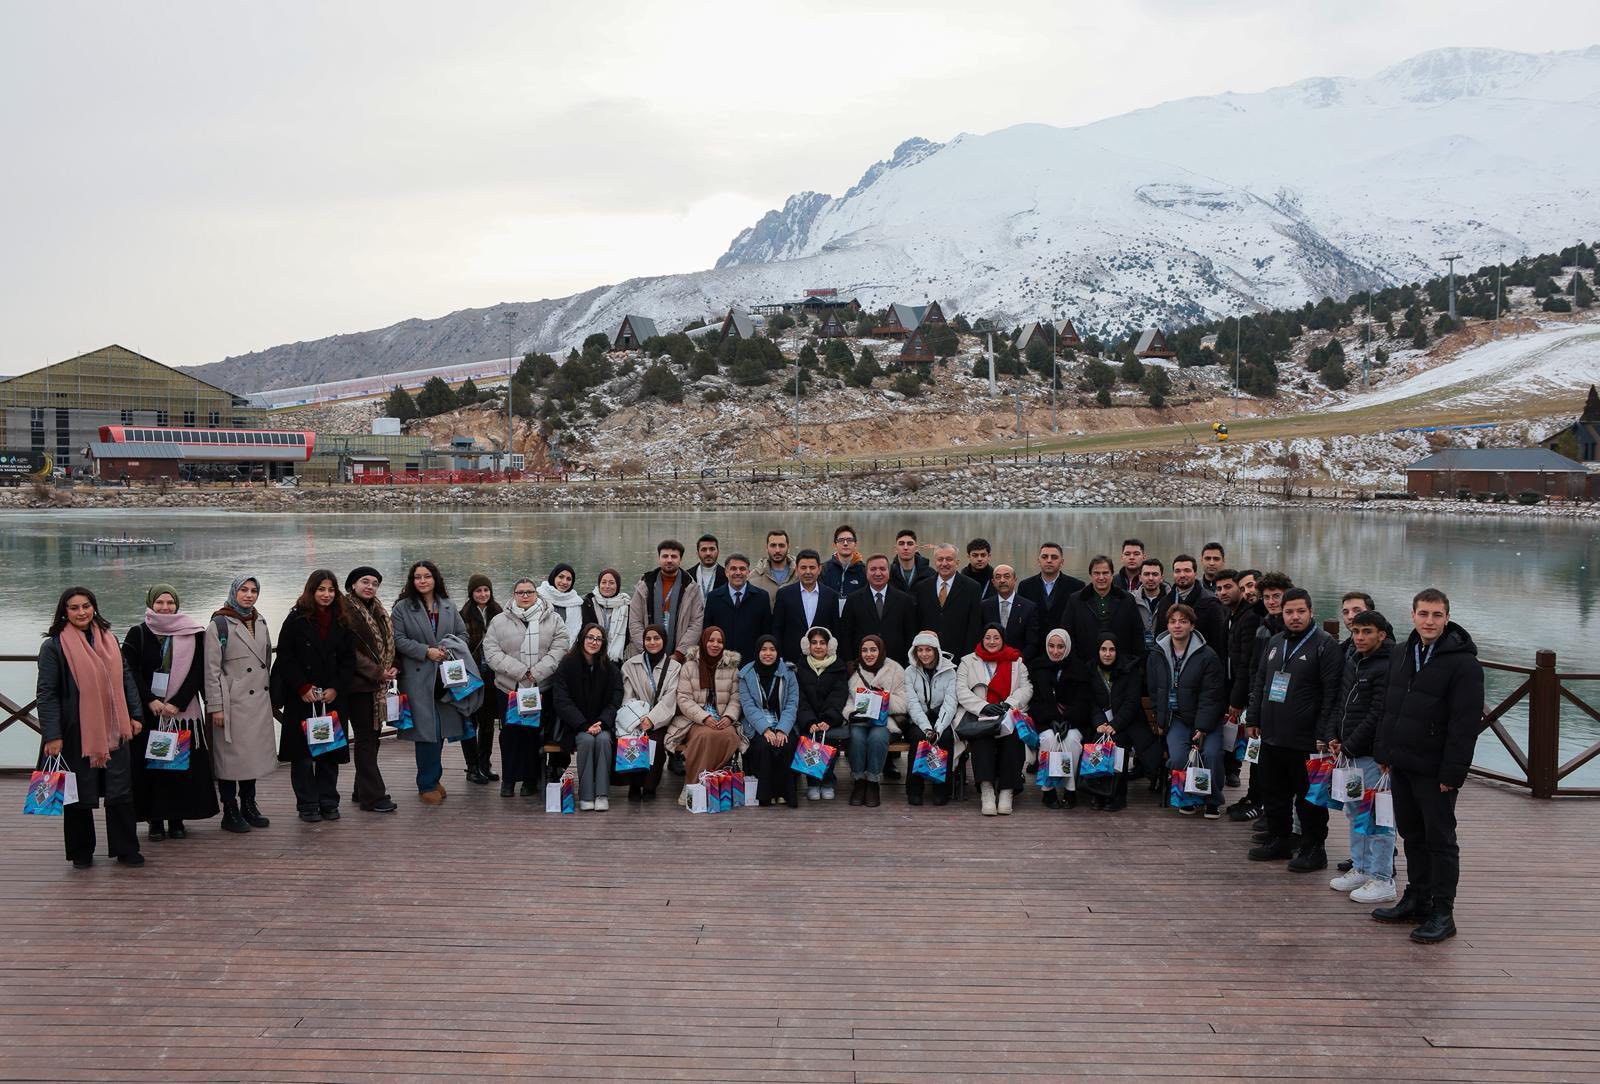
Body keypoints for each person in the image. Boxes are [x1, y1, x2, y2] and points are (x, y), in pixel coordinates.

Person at [1371, 589, 1484, 944]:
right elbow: (1391, 706)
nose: (1430, 621)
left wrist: (1453, 773)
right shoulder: (1404, 652)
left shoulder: (1463, 663)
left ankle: (1442, 911)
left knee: (1440, 840)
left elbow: (1465, 724)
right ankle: (1417, 897)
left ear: (1447, 617)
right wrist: (1384, 753)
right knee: (1411, 834)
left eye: (1437, 615)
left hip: (1435, 769)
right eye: (1424, 614)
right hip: (1402, 762)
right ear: (1412, 615)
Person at [38, 586, 145, 868]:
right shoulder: (54, 646)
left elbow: (126, 680)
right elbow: (46, 693)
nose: (82, 612)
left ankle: (126, 848)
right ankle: (81, 851)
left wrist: (135, 715)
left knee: (120, 789)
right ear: (64, 611)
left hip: (115, 728)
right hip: (75, 732)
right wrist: (52, 734)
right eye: (74, 608)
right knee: (78, 793)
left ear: (94, 607)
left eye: (86, 606)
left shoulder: (110, 639)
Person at [1247, 587, 1342, 872]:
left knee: (1309, 799)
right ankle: (1281, 840)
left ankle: (1315, 849)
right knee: (1273, 792)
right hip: (1273, 733)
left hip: (1307, 739)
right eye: (1289, 612)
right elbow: (1261, 682)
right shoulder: (1275, 641)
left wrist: (1325, 734)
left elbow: (1331, 694)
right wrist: (1253, 718)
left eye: (1301, 611)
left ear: (1311, 612)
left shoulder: (1325, 645)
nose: (1295, 617)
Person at [123, 584, 217, 841]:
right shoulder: (137, 634)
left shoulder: (193, 633)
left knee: (178, 769)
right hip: (149, 715)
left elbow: (198, 671)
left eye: (170, 603)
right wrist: (150, 700)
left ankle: (177, 819)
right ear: (150, 604)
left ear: (177, 604)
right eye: (160, 603)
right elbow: (129, 672)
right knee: (153, 770)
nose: (165, 607)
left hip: (181, 714)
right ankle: (155, 820)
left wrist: (178, 702)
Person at [271, 570, 356, 823]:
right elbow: (285, 656)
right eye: (321, 589)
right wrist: (302, 687)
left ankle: (329, 801)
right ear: (311, 591)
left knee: (329, 753)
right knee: (304, 757)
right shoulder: (296, 619)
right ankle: (307, 803)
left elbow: (348, 660)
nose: (326, 595)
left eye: (331, 590)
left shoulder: (342, 620)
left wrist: (335, 688)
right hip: (302, 697)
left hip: (331, 696)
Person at [1328, 610, 1399, 905]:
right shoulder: (1354, 660)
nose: (1359, 637)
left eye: (1367, 632)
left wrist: (1350, 744)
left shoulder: (1387, 665)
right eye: (1356, 631)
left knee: (1378, 818)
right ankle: (1361, 867)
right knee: (1354, 811)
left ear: (1381, 635)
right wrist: (1334, 734)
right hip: (1351, 752)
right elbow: (1342, 702)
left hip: (1371, 754)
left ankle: (1383, 878)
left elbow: (1377, 713)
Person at [391, 560, 475, 805]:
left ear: (435, 578)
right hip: (418, 677)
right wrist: (425, 651)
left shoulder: (448, 605)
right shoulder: (402, 608)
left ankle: (434, 778)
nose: (423, 581)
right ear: (412, 581)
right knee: (427, 732)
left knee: (440, 732)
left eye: (427, 576)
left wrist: (447, 648)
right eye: (418, 577)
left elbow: (463, 634)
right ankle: (426, 783)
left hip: (446, 677)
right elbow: (398, 639)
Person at [482, 578, 571, 798]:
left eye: (529, 592)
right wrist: (521, 671)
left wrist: (537, 672)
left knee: (534, 734)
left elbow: (560, 648)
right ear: (513, 594)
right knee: (510, 735)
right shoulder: (498, 621)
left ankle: (531, 780)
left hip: (540, 688)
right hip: (509, 688)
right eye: (520, 592)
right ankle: (510, 779)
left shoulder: (553, 619)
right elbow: (491, 651)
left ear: (536, 594)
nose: (524, 596)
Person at [204, 576, 275, 833]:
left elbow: (265, 661)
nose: (249, 595)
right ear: (234, 591)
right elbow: (211, 670)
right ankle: (229, 809)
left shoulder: (261, 621)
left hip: (256, 702)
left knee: (250, 757)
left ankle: (249, 803)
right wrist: (216, 707)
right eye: (244, 590)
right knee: (228, 759)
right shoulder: (219, 624)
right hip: (231, 702)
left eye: (254, 590)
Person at [1147, 604, 1227, 819]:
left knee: (1211, 754)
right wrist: (1160, 718)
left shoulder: (1207, 655)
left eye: (1183, 621)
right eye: (1173, 621)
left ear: (1192, 625)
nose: (1177, 625)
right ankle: (1189, 797)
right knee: (1179, 757)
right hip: (1177, 718)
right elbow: (1155, 690)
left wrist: (1202, 727)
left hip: (1207, 720)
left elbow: (1212, 695)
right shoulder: (1157, 653)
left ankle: (1212, 800)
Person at [956, 622, 1033, 816]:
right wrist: (984, 706)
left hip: (1008, 713)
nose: (992, 641)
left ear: (1003, 639)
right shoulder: (968, 660)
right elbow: (961, 690)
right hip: (979, 715)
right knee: (983, 738)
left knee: (1013, 737)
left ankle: (1007, 790)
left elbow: (1026, 688)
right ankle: (987, 790)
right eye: (988, 637)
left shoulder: (1017, 661)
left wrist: (1008, 704)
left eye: (996, 637)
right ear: (982, 638)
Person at [1236, 571, 1291, 822]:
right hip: (1263, 701)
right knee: (1258, 756)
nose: (1271, 601)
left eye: (1276, 596)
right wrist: (1251, 702)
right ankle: (1258, 801)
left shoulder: (1293, 628)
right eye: (1267, 597)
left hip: (1288, 708)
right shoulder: (1263, 627)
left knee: (1280, 765)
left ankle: (1271, 811)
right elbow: (1254, 669)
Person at [551, 623, 625, 811]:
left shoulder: (610, 668)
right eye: (590, 637)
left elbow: (615, 699)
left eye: (598, 639)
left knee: (602, 740)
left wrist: (603, 722)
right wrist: (583, 724)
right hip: (576, 725)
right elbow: (561, 700)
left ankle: (601, 794)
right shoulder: (567, 665)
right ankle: (585, 795)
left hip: (602, 724)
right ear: (582, 639)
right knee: (586, 741)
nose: (594, 642)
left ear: (603, 643)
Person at [666, 626, 742, 805]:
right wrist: (704, 717)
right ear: (703, 641)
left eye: (719, 641)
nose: (715, 644)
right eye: (711, 640)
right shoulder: (689, 666)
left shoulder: (732, 668)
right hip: (694, 719)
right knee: (704, 736)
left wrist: (729, 717)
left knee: (729, 736)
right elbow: (683, 699)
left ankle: (712, 782)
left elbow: (736, 698)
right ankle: (692, 784)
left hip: (723, 716)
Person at [343, 566, 398, 813]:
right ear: (352, 584)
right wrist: (377, 672)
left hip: (376, 685)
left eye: (375, 583)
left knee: (372, 739)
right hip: (356, 686)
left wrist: (390, 667)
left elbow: (386, 645)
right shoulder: (344, 610)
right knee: (366, 740)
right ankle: (373, 797)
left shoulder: (377, 609)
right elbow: (349, 652)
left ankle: (361, 789)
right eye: (365, 582)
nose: (370, 587)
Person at [619, 624, 681, 801]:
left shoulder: (674, 667)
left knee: (657, 741)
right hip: (635, 719)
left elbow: (671, 698)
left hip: (661, 719)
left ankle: (649, 786)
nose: (652, 642)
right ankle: (634, 784)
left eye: (657, 638)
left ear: (664, 641)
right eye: (648, 639)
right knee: (632, 740)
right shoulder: (630, 665)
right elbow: (627, 695)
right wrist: (637, 719)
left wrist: (652, 720)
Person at [842, 634, 906, 807]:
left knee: (877, 737)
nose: (868, 654)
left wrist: (883, 698)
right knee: (857, 737)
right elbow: (848, 701)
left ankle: (872, 782)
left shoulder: (895, 669)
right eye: (864, 650)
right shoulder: (855, 670)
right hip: (860, 719)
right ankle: (859, 781)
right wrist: (850, 713)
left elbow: (903, 703)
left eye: (873, 650)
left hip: (884, 720)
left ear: (881, 650)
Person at [738, 634, 800, 808]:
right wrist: (765, 729)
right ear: (757, 652)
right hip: (756, 725)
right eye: (764, 649)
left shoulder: (788, 673)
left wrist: (782, 729)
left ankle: (784, 793)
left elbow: (792, 704)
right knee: (763, 746)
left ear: (778, 652)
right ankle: (766, 794)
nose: (768, 653)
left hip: (783, 723)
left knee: (786, 745)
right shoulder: (746, 674)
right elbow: (748, 706)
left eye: (772, 649)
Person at [1086, 635, 1147, 812]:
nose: (1107, 654)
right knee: (1097, 742)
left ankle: (1117, 795)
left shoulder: (1129, 670)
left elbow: (1132, 702)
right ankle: (1098, 792)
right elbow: (1090, 701)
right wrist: (1100, 723)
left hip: (1124, 724)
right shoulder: (1091, 669)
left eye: (1111, 649)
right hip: (1100, 723)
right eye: (1103, 649)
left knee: (1118, 744)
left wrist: (1115, 724)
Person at [1029, 629, 1086, 809]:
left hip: (1073, 721)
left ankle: (1070, 789)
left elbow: (1083, 700)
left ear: (1067, 647)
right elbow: (1035, 700)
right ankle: (1048, 789)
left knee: (1072, 741)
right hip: (1046, 721)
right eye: (1051, 646)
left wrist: (1068, 719)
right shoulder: (1038, 667)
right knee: (1048, 740)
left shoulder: (1079, 668)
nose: (1055, 651)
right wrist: (1052, 718)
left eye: (1060, 647)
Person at [903, 631, 958, 807]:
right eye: (920, 650)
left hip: (942, 718)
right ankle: (914, 789)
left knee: (946, 738)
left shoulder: (949, 671)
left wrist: (938, 729)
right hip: (919, 719)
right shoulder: (910, 672)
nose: (924, 654)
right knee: (918, 738)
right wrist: (927, 729)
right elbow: (912, 704)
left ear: (936, 650)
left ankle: (941, 789)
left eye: (928, 650)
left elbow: (950, 703)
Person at [794, 625, 849, 801]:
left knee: (829, 741)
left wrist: (828, 719)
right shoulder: (799, 667)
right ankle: (812, 782)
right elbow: (799, 697)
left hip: (829, 720)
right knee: (808, 741)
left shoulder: (838, 667)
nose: (818, 646)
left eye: (822, 643)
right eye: (814, 643)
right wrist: (809, 721)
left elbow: (839, 695)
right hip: (807, 719)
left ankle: (827, 781)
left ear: (829, 646)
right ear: (807, 645)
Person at [628, 539, 704, 659]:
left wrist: (679, 653)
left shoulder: (691, 588)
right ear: (659, 558)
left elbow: (696, 624)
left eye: (674, 556)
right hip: (644, 655)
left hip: (679, 658)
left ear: (680, 559)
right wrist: (647, 649)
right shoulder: (644, 585)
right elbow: (635, 622)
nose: (669, 560)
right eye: (665, 556)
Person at [460, 574, 503, 785]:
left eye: (486, 590)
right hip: (471, 673)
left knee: (487, 722)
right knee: (470, 721)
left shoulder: (499, 612)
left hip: (492, 674)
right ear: (471, 593)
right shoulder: (463, 615)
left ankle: (485, 764)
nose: (483, 594)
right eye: (478, 590)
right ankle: (473, 767)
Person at [1066, 556, 1144, 671]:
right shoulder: (1076, 600)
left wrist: (1134, 664)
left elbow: (1137, 634)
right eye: (1096, 573)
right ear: (1090, 576)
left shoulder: (1127, 599)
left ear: (1112, 575)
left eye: (1105, 573)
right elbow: (1068, 634)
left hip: (1122, 668)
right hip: (1085, 667)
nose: (1101, 577)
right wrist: (1076, 664)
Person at [839, 553, 917, 664]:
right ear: (866, 573)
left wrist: (908, 662)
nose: (878, 573)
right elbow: (846, 634)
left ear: (889, 572)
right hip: (862, 664)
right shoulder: (853, 600)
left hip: (896, 664)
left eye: (882, 569)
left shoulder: (904, 600)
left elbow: (910, 634)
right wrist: (849, 662)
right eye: (873, 569)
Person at [915, 543, 983, 659]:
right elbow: (918, 622)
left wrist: (968, 657)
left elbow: (974, 626)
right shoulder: (922, 587)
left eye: (949, 559)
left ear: (957, 562)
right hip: (928, 655)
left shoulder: (972, 587)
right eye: (940, 559)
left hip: (959, 655)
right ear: (935, 562)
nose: (944, 563)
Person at [771, 550, 839, 666]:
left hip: (821, 661)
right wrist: (780, 657)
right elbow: (777, 628)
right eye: (803, 568)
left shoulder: (831, 596)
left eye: (812, 567)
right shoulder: (784, 594)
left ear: (819, 569)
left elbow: (835, 629)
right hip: (790, 660)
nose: (808, 572)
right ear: (796, 570)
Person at [702, 553, 772, 664]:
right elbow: (707, 630)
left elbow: (766, 632)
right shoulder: (714, 597)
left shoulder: (761, 597)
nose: (738, 573)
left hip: (751, 661)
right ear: (726, 572)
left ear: (748, 572)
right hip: (721, 660)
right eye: (733, 569)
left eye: (742, 569)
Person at [1156, 554, 1227, 653]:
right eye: (1177, 571)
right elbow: (1160, 635)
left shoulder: (1210, 602)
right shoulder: (1165, 602)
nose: (1182, 575)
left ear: (1195, 573)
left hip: (1202, 661)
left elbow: (1219, 642)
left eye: (1187, 570)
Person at [1017, 543, 1084, 644]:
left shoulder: (1076, 586)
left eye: (1054, 557)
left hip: (1064, 647)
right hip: (1033, 648)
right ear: (1038, 561)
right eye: (1044, 557)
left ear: (1062, 562)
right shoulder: (1025, 586)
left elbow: (1079, 622)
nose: (1049, 560)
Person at [980, 564, 1039, 661]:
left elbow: (1032, 642)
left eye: (1007, 576)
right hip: (989, 661)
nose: (1002, 580)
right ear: (993, 582)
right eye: (998, 577)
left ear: (1015, 579)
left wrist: (1019, 660)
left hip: (1017, 662)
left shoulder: (1029, 607)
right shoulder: (984, 606)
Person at [580, 568, 633, 663]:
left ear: (618, 586)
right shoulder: (588, 603)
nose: (607, 586)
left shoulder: (627, 606)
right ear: (599, 584)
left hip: (618, 658)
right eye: (603, 582)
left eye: (611, 583)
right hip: (591, 655)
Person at [820, 524, 868, 610]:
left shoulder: (864, 571)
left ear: (855, 544)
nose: (845, 543)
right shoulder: (823, 569)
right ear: (835, 545)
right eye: (841, 540)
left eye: (849, 540)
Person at [539, 563, 585, 645]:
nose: (564, 582)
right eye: (561, 577)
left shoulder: (576, 602)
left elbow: (575, 630)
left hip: (566, 649)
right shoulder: (538, 596)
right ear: (553, 577)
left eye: (569, 579)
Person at [1133, 557, 1168, 654]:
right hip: (1138, 654)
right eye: (1146, 574)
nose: (1151, 578)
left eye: (1155, 574)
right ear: (1140, 577)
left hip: (1164, 652)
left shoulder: (1172, 601)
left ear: (1162, 577)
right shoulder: (1130, 600)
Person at [751, 529, 796, 601]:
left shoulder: (800, 574)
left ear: (788, 547)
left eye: (781, 545)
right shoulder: (754, 577)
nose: (777, 550)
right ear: (767, 548)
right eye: (773, 545)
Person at [888, 529, 934, 593]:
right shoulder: (888, 574)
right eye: (901, 544)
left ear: (916, 548)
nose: (905, 548)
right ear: (896, 548)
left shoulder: (930, 574)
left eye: (910, 544)